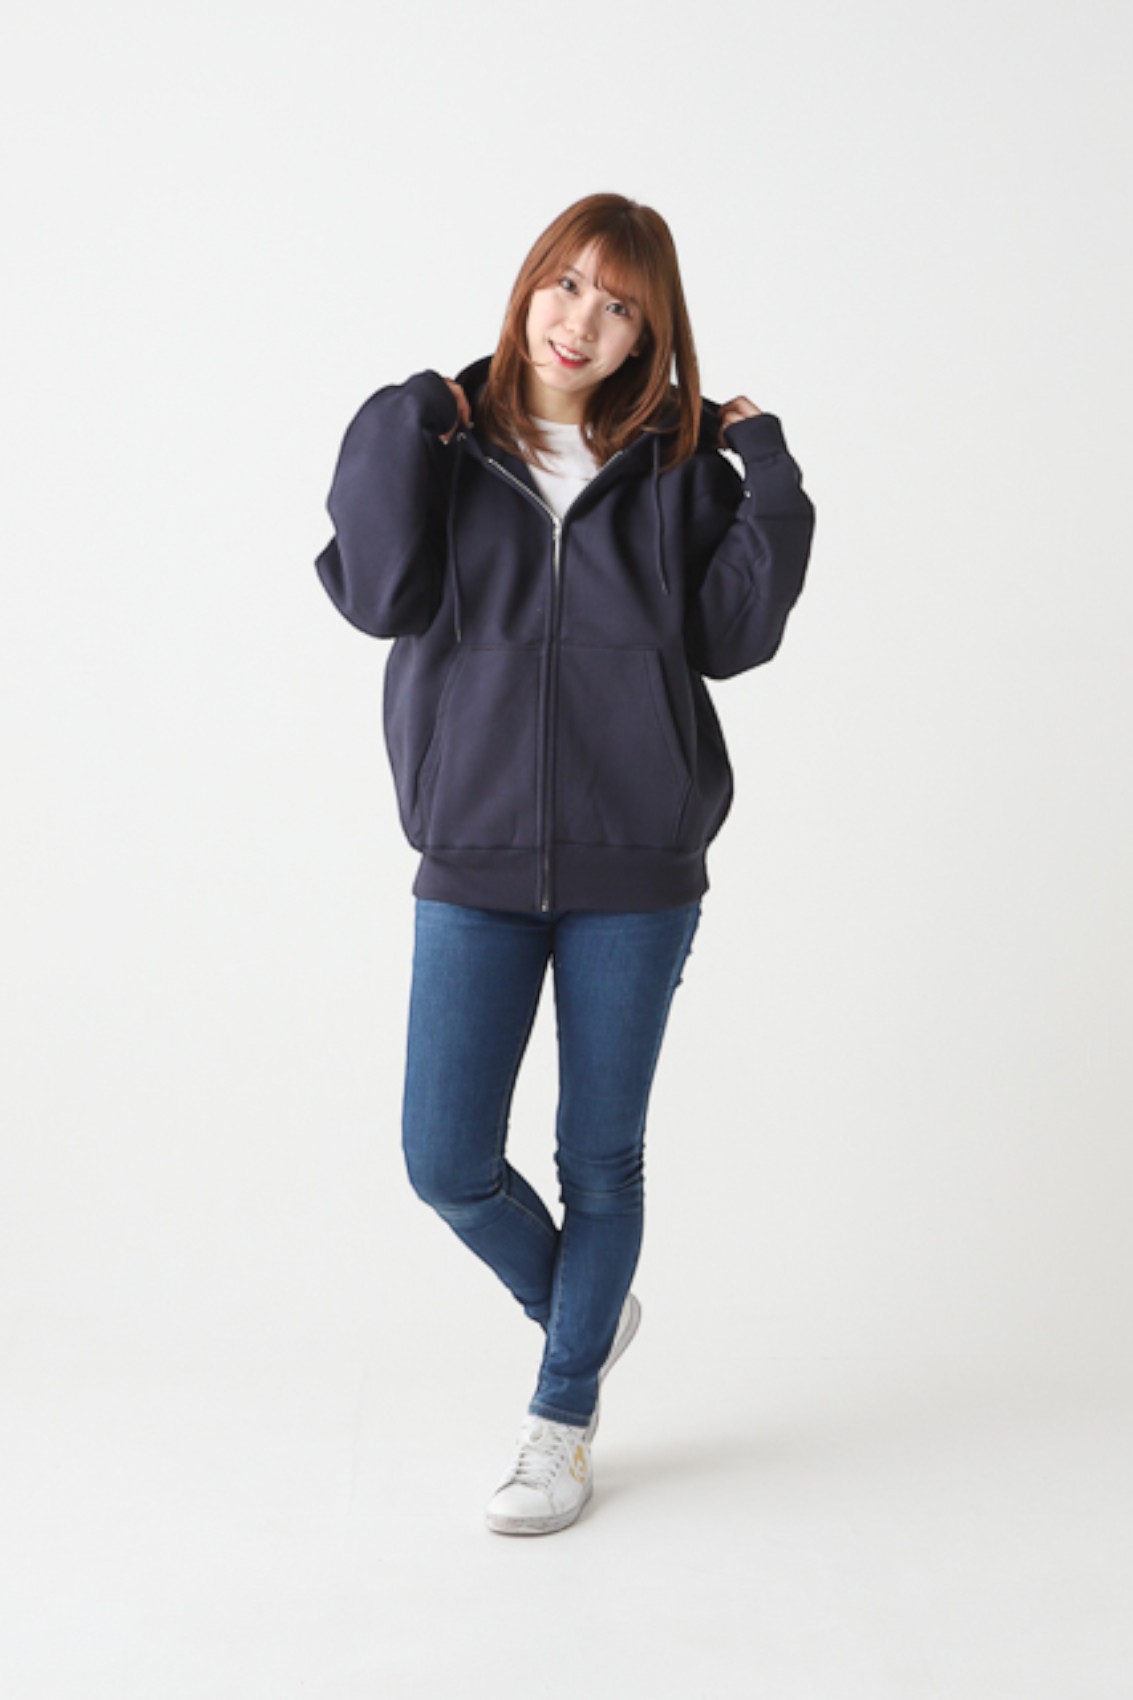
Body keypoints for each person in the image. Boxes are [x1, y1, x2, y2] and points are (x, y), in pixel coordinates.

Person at [314, 192, 816, 1536]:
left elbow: (735, 638)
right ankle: (583, 1314)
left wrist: (764, 465)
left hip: (638, 862)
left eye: (621, 306)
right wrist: (403, 412)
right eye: (566, 284)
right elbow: (373, 592)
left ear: (651, 335)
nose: (582, 321)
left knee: (599, 1161)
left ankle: (561, 1418)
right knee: (445, 1160)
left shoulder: (677, 473)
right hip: (473, 850)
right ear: (528, 285)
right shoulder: (444, 449)